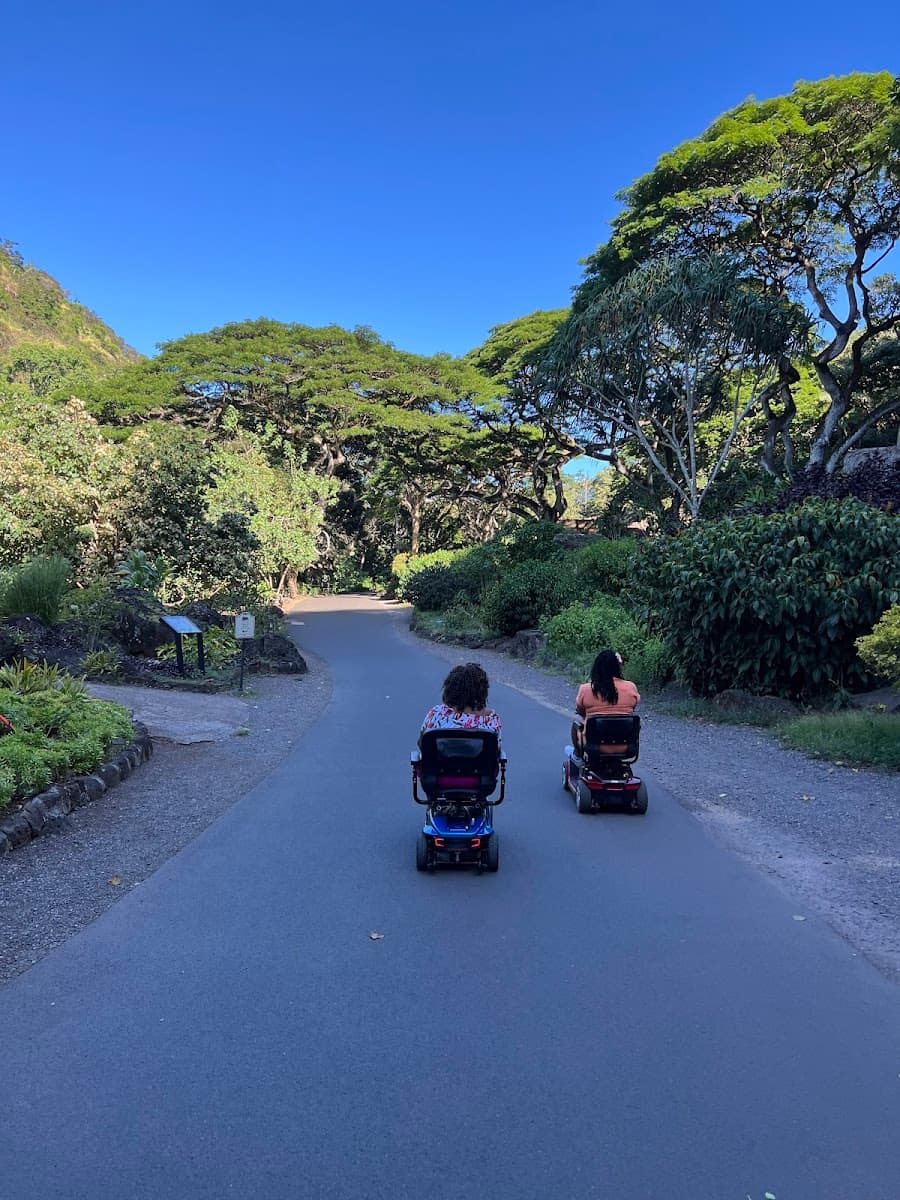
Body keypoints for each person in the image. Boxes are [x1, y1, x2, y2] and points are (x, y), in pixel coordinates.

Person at [570, 649, 639, 758]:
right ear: (618, 667)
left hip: (594, 746)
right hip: (626, 747)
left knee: (576, 721)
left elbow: (580, 711)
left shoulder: (586, 689)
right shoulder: (631, 687)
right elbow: (633, 707)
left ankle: (578, 755)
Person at [421, 662, 502, 744]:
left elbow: (422, 743)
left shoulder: (436, 714)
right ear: (483, 692)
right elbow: (496, 751)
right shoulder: (491, 723)